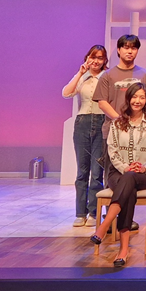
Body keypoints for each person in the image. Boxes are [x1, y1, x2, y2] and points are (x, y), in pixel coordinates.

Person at [89, 83, 146, 267]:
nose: (138, 101)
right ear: (128, 98)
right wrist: (125, 167)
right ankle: (123, 250)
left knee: (129, 180)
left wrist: (144, 167)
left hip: (145, 173)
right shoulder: (117, 122)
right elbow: (112, 150)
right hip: (119, 172)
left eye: (142, 97)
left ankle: (105, 225)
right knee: (128, 184)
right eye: (134, 97)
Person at [62, 45, 108, 227]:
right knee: (82, 171)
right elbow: (66, 93)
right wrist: (80, 73)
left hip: (101, 122)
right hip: (82, 123)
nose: (96, 61)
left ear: (104, 60)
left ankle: (94, 213)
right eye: (93, 57)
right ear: (87, 58)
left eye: (100, 58)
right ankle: (80, 213)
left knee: (97, 171)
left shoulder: (107, 77)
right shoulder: (82, 77)